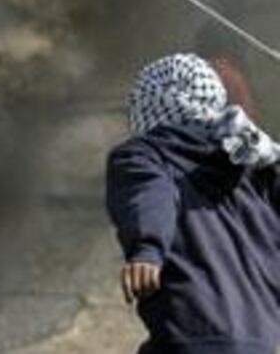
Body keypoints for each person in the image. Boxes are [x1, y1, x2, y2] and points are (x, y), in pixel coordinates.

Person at [106, 53, 280, 354]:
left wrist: (147, 248)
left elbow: (150, 191)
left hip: (193, 335)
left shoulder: (144, 155)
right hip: (260, 340)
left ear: (146, 104)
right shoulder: (253, 162)